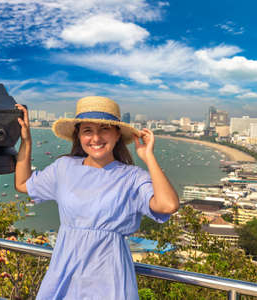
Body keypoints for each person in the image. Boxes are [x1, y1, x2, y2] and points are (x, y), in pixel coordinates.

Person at [14, 96, 179, 300]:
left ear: (117, 134)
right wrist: (26, 140)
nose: (96, 138)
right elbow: (22, 184)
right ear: (78, 136)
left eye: (104, 129)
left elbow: (168, 205)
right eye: (88, 130)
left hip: (109, 278)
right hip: (65, 272)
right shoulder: (64, 168)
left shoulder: (132, 176)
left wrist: (149, 157)